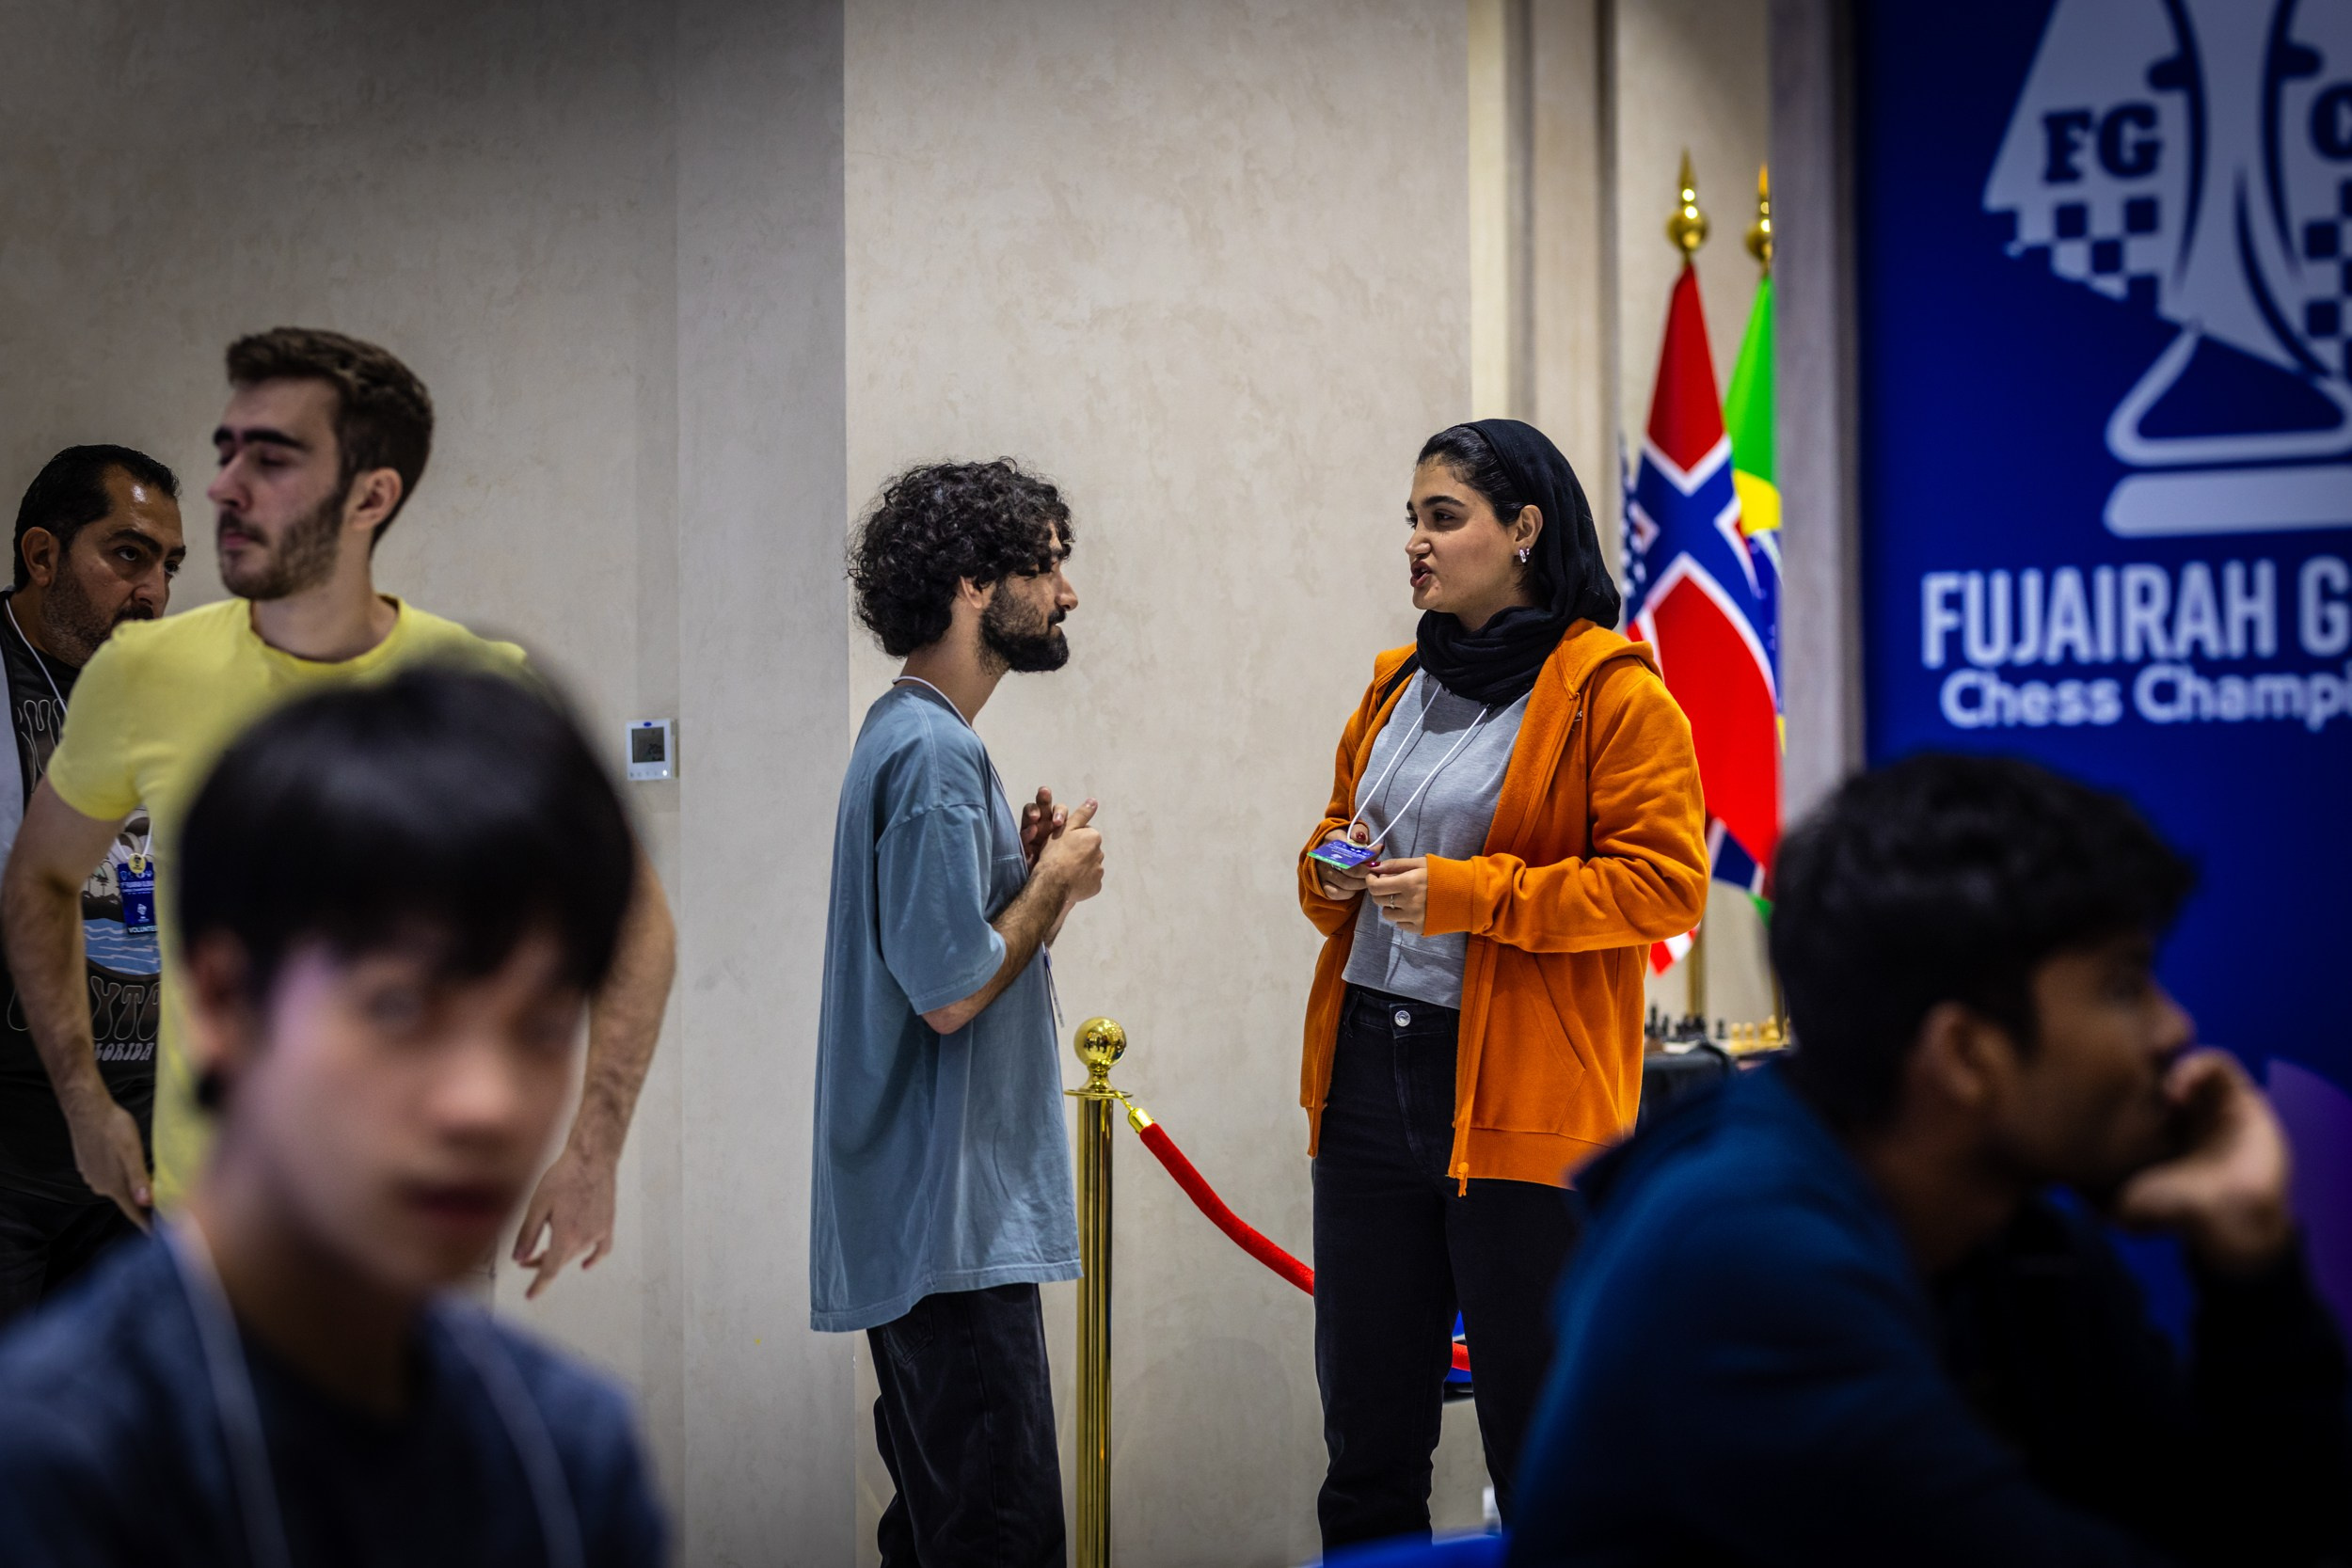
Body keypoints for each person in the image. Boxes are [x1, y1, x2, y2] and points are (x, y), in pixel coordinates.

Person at [1507, 753, 2352, 1567]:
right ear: (1966, 1055)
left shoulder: (2015, 1241)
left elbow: (2226, 1530)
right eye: (2123, 987)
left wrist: (2250, 1252)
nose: (2174, 1030)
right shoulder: (1743, 1260)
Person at [1, 328, 675, 1300]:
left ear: (370, 496)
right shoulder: (141, 673)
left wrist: (594, 1147)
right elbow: (41, 874)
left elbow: (638, 921)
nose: (227, 486)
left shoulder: (482, 686)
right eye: (228, 451)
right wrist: (83, 1100)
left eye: (272, 459)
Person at [0, 669, 665, 1563]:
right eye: (401, 1007)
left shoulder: (574, 1457)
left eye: (542, 1026)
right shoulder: (50, 1463)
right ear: (227, 1001)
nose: (489, 1104)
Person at [1296, 420, 1707, 1551]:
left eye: (1444, 517)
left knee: (1541, 1443)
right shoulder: (1394, 682)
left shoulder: (1613, 692)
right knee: (1366, 1442)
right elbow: (1335, 835)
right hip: (1364, 1073)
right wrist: (1329, 870)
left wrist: (1474, 894)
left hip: (1522, 1094)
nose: (1415, 543)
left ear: (1523, 529)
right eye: (1412, 519)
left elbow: (1664, 885)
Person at [812, 459, 1105, 1566]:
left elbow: (954, 962)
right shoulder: (934, 752)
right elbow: (947, 997)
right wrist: (1053, 880)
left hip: (925, 1221)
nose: (1067, 592)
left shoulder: (907, 733)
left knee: (939, 1538)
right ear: (974, 583)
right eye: (1048, 565)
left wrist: (1024, 886)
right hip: (951, 1224)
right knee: (999, 1541)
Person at [0, 445, 186, 1321]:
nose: (154, 590)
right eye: (129, 554)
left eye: (168, 565)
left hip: (136, 1136)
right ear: (43, 556)